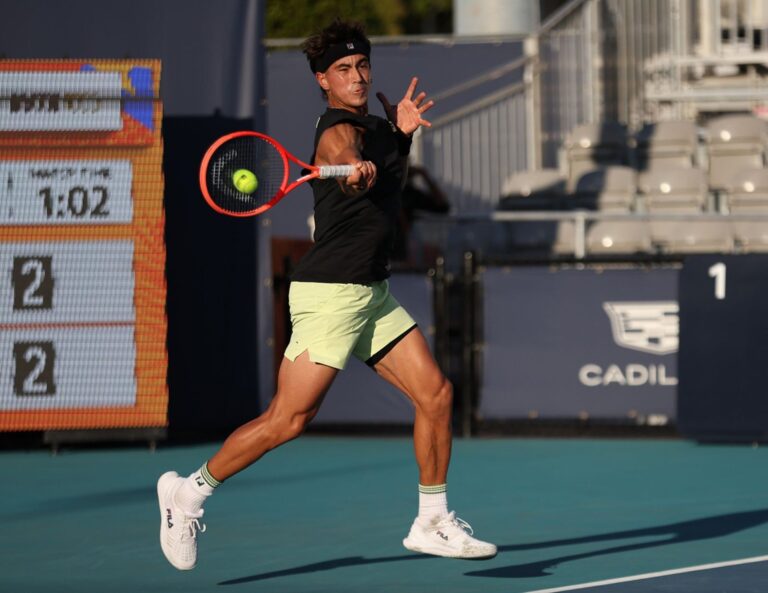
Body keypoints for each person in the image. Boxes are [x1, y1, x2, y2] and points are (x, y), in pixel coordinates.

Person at [157, 18, 497, 571]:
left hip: (371, 292)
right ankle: (188, 492)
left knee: (435, 396)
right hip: (330, 294)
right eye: (343, 70)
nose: (357, 77)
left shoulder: (382, 125)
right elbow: (343, 154)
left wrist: (404, 133)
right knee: (288, 421)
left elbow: (382, 168)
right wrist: (351, 173)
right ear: (323, 80)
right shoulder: (337, 129)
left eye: (362, 65)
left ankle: (431, 520)